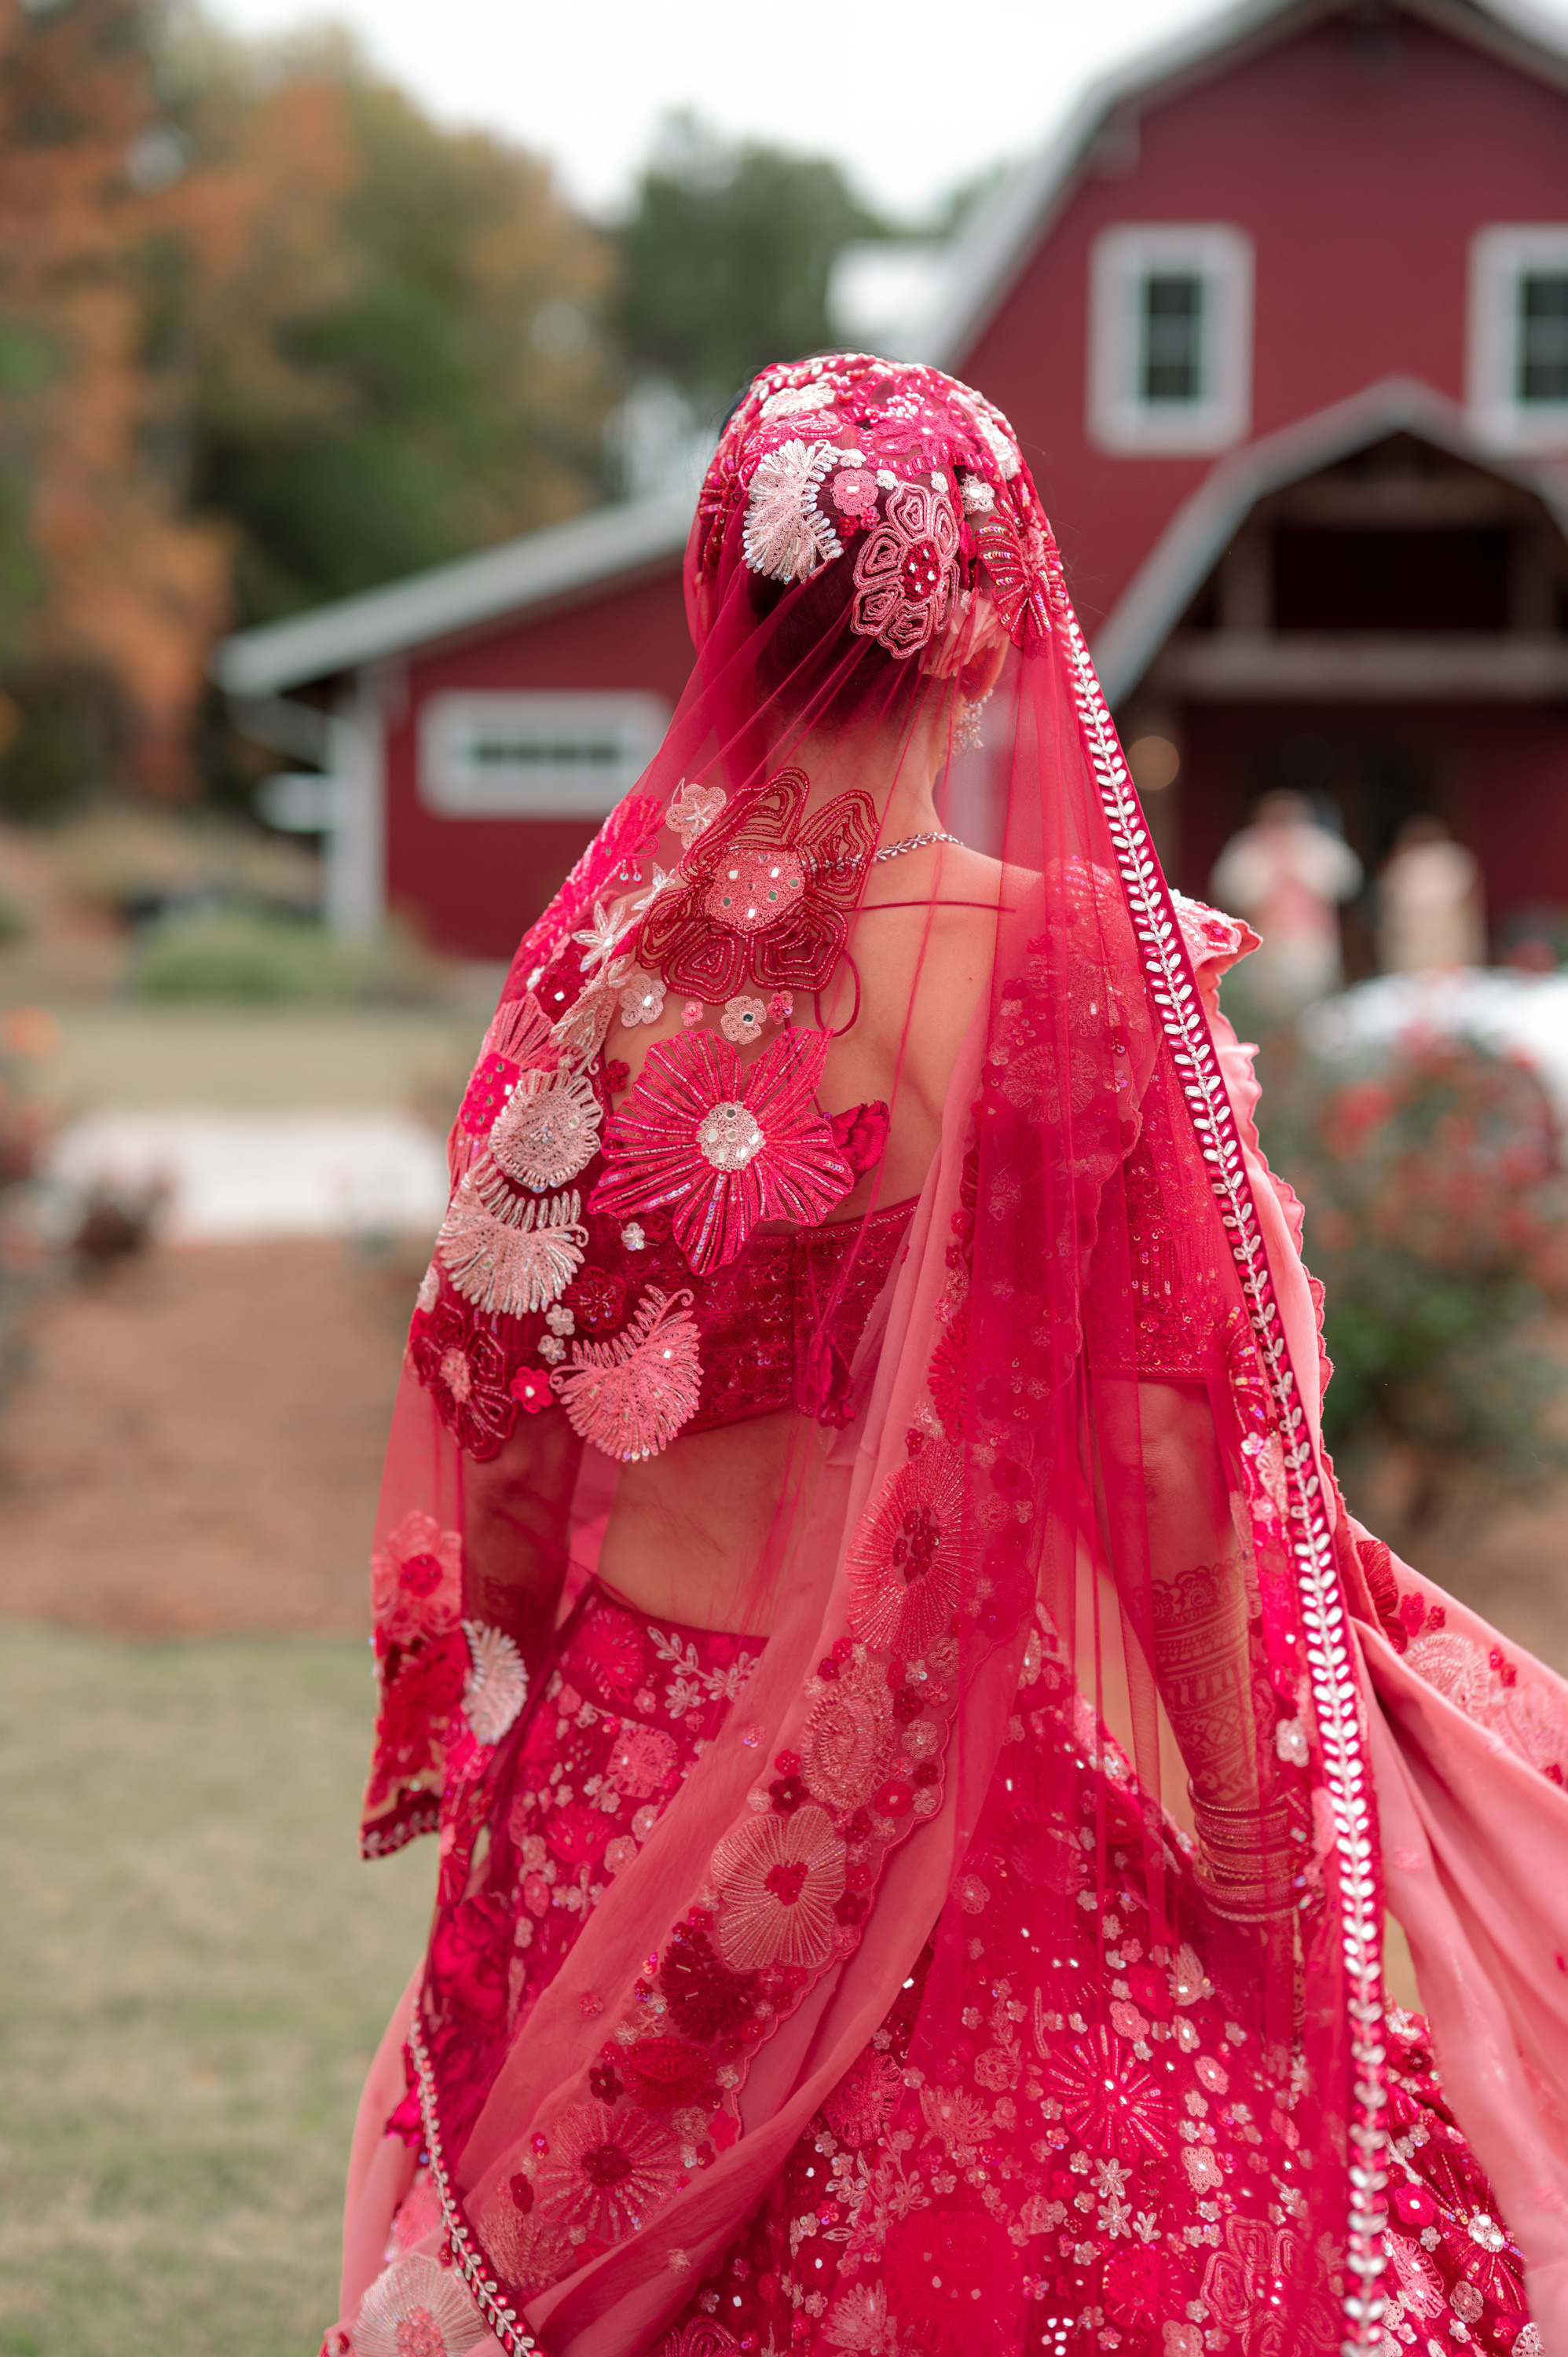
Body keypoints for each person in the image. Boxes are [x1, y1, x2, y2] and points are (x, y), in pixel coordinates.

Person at [321, 357, 1568, 2357]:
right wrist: (1248, 1846)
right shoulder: (1072, 973)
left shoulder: (594, 977)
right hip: (940, 1779)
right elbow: (1175, 1474)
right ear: (992, 638)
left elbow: (510, 1434)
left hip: (617, 1771)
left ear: (723, 604)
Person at [1210, 790, 1362, 1016]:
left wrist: (1301, 872)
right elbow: (1229, 888)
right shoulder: (1248, 846)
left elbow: (1347, 880)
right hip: (1264, 941)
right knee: (1265, 1005)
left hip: (1311, 938)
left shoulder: (1318, 843)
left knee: (1312, 1003)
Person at [1376, 816, 1486, 975]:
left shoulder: (1452, 857)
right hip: (1413, 929)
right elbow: (1391, 892)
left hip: (1446, 926)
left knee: (1448, 965)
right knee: (1413, 966)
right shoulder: (1403, 861)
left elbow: (1466, 888)